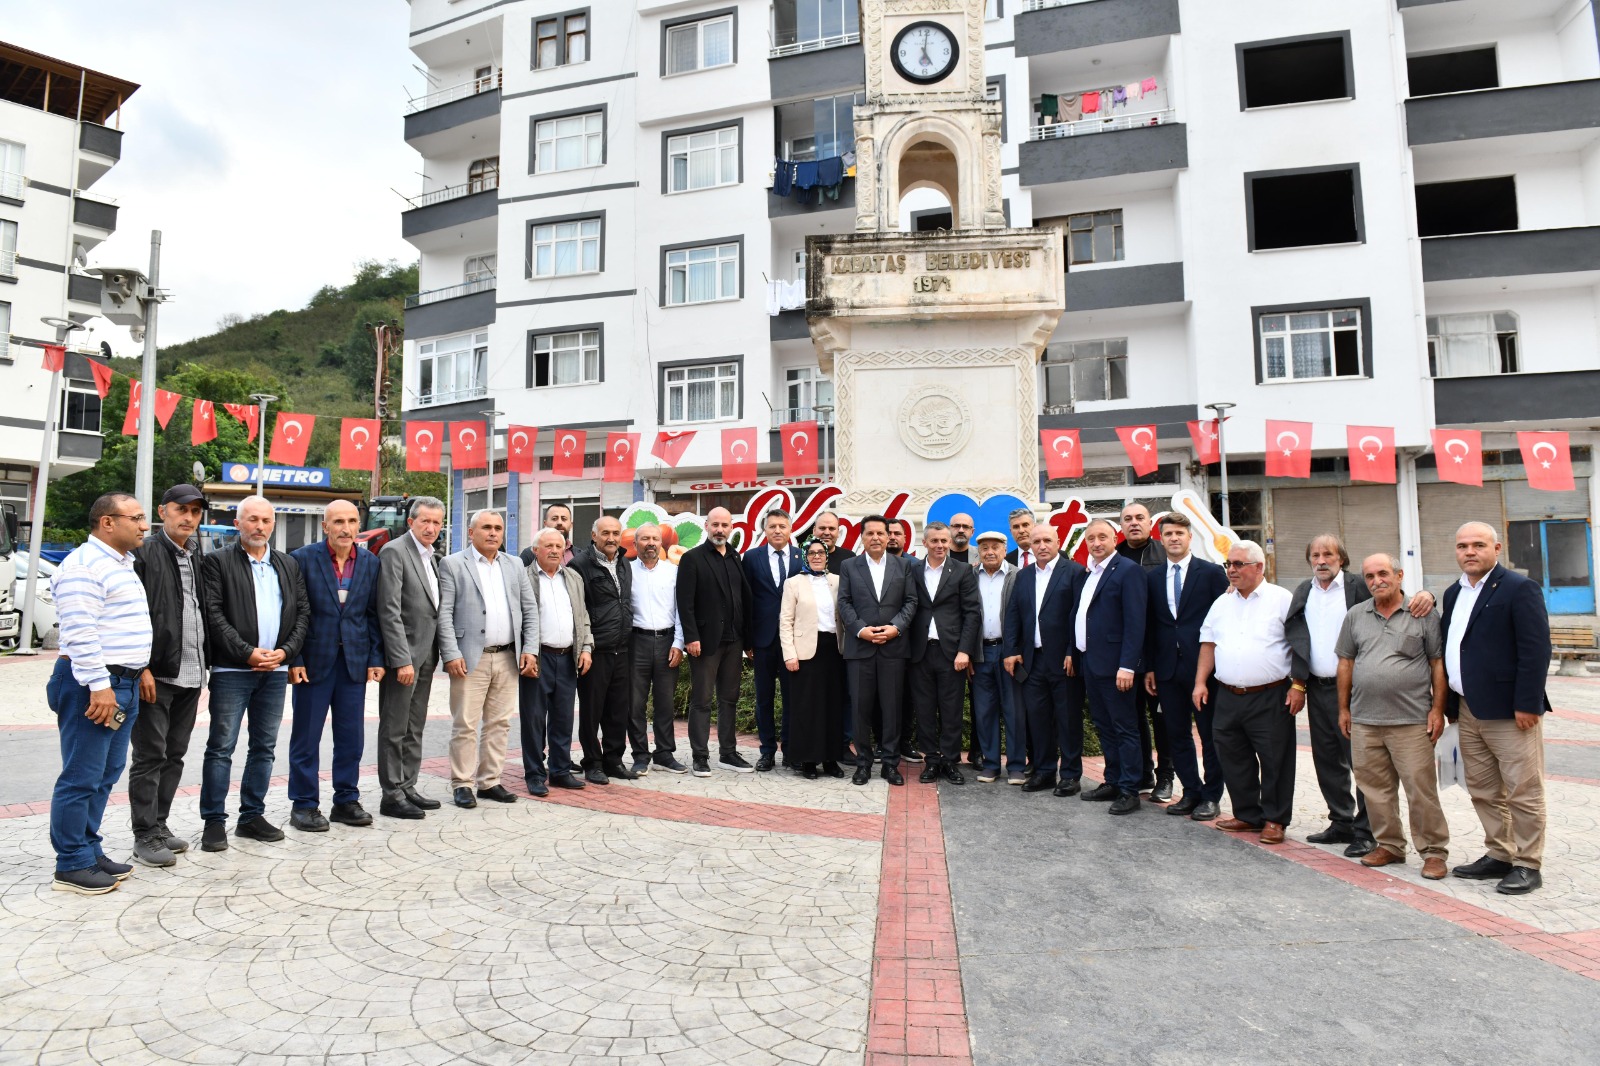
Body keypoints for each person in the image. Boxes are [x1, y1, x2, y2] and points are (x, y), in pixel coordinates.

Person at [46, 493, 151, 894]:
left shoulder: (120, 564)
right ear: (108, 522)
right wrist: (101, 686)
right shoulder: (84, 567)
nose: (144, 525)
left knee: (105, 774)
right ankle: (71, 864)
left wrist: (139, 670)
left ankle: (89, 850)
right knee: (81, 777)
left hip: (121, 682)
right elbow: (81, 633)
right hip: (93, 684)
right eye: (137, 517)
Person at [1441, 522, 1551, 895]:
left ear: (1497, 548)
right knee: (1484, 789)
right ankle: (1499, 853)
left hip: (1510, 712)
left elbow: (1536, 651)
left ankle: (1527, 863)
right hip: (1469, 709)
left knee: (1523, 789)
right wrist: (1450, 705)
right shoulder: (1454, 593)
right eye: (1462, 546)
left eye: (1478, 545)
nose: (1469, 552)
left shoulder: (1520, 588)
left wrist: (1527, 703)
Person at [200, 496, 310, 852]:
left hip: (275, 671)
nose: (259, 526)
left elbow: (303, 613)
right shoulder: (216, 563)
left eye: (265, 520)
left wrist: (286, 652)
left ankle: (251, 816)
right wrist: (246, 653)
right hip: (233, 670)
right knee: (221, 748)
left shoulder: (287, 564)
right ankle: (214, 822)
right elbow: (213, 615)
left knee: (264, 748)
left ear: (273, 525)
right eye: (252, 520)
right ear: (237, 523)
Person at [1336, 553, 1450, 879]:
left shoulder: (1422, 613)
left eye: (1383, 573)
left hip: (1411, 721)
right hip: (1365, 720)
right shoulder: (1356, 615)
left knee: (1421, 790)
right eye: (1369, 576)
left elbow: (1436, 664)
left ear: (1399, 575)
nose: (1376, 581)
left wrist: (1437, 710)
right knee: (1374, 789)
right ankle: (1389, 845)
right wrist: (1344, 709)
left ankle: (1433, 852)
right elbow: (1345, 663)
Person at [1192, 541, 1299, 845]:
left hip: (1270, 694)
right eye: (1229, 564)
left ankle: (1275, 819)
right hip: (1226, 693)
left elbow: (1299, 643)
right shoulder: (1222, 603)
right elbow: (1208, 643)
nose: (1231, 570)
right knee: (1233, 755)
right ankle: (1247, 814)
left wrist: (1298, 684)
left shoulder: (1281, 599)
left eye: (1239, 564)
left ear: (1259, 567)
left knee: (1275, 759)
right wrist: (1200, 682)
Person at [286, 500, 385, 831]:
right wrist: (294, 659)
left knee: (351, 737)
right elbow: (295, 615)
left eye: (352, 521)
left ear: (359, 526)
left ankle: (346, 799)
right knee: (306, 737)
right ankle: (304, 804)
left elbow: (373, 615)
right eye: (338, 521)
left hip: (353, 664)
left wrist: (375, 658)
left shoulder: (370, 562)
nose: (346, 528)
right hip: (313, 663)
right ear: (325, 526)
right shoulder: (302, 559)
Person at [128, 484, 210, 867]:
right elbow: (135, 614)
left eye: (195, 511)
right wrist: (141, 667)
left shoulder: (196, 554)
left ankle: (159, 825)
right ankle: (143, 834)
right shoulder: (143, 553)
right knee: (150, 755)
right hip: (155, 675)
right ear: (163, 511)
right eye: (182, 509)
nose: (189, 517)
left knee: (174, 755)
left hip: (191, 673)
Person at [437, 510, 540, 809]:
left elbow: (529, 610)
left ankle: (490, 781)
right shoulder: (453, 564)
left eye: (498, 528)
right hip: (470, 659)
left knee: (499, 723)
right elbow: (444, 613)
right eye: (486, 528)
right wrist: (451, 653)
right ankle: (462, 783)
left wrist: (529, 649)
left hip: (508, 657)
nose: (493, 533)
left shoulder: (515, 564)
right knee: (465, 724)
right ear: (471, 533)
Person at [1143, 513, 1229, 821]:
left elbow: (1222, 621)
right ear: (1161, 539)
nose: (1174, 538)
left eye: (1179, 533)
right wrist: (1150, 666)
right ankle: (1191, 791)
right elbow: (1151, 626)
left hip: (1203, 669)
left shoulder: (1211, 573)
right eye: (1168, 534)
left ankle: (1211, 796)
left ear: (1190, 537)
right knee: (1176, 733)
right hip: (1167, 670)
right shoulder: (1152, 578)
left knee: (1209, 735)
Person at [375, 496, 446, 820]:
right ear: (411, 523)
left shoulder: (433, 557)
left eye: (436, 522)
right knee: (394, 726)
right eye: (425, 522)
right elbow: (388, 610)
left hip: (427, 655)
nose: (431, 527)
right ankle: (391, 794)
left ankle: (408, 785)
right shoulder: (395, 552)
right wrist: (401, 659)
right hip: (404, 658)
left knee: (415, 726)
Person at [1002, 523, 1085, 796]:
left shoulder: (1073, 572)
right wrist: (1011, 649)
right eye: (1037, 541)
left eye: (1047, 540)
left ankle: (1071, 775)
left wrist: (1073, 650)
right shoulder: (1024, 576)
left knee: (1068, 719)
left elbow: (1079, 616)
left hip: (1064, 660)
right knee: (1037, 719)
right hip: (1032, 661)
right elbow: (1013, 614)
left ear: (1058, 541)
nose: (1042, 546)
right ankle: (1045, 771)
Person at [1071, 520, 1147, 815]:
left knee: (1125, 728)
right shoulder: (1092, 573)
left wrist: (1128, 665)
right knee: (1104, 726)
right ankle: (1113, 780)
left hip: (1117, 667)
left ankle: (1130, 788)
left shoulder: (1128, 571)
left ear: (1114, 539)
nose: (1096, 542)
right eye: (1091, 538)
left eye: (1102, 536)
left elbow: (1135, 621)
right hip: (1092, 663)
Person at [837, 514, 919, 786]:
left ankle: (891, 765)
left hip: (894, 648)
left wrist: (896, 627)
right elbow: (845, 603)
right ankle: (863, 764)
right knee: (860, 709)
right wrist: (861, 629)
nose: (875, 538)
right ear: (862, 537)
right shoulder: (849, 566)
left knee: (892, 708)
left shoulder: (903, 565)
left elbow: (910, 602)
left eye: (880, 533)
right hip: (860, 648)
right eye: (869, 533)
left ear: (888, 537)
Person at [677, 506, 754, 776]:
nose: (720, 530)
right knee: (702, 700)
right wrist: (691, 637)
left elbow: (744, 599)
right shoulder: (692, 558)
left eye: (725, 525)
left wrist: (748, 639)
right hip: (705, 642)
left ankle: (728, 753)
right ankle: (700, 756)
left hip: (734, 640)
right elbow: (684, 603)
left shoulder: (735, 557)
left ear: (731, 527)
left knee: (729, 698)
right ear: (706, 526)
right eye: (715, 525)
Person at [907, 522, 982, 785]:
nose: (940, 545)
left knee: (951, 710)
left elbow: (972, 613)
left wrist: (965, 651)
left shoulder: (962, 571)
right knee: (925, 710)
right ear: (925, 543)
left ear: (949, 543)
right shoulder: (913, 570)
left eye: (944, 541)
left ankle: (950, 761)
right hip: (920, 652)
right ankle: (932, 760)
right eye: (935, 541)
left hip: (952, 653)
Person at [522, 527, 594, 794]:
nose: (554, 550)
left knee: (563, 718)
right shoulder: (524, 577)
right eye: (548, 546)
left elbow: (583, 615)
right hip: (537, 658)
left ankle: (560, 770)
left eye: (559, 546)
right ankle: (534, 774)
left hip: (568, 659)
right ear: (535, 550)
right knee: (534, 719)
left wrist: (586, 647)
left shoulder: (573, 577)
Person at [570, 515, 636, 783]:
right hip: (596, 650)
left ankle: (613, 760)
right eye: (605, 533)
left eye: (616, 533)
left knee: (618, 710)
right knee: (592, 711)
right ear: (594, 535)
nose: (611, 538)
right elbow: (579, 608)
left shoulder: (625, 563)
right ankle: (592, 762)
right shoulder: (579, 565)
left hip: (623, 648)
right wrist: (586, 645)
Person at [1116, 502, 1172, 802]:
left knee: (1162, 718)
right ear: (1120, 526)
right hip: (1125, 654)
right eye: (1127, 519)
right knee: (1133, 716)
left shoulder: (1164, 555)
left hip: (1159, 651)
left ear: (1151, 523)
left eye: (1139, 518)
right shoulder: (1115, 557)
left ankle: (1166, 776)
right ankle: (1142, 772)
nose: (1133, 523)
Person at [780, 538, 847, 778]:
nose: (817, 556)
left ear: (827, 556)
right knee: (806, 707)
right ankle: (808, 760)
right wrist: (790, 654)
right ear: (805, 556)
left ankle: (831, 760)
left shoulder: (838, 581)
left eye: (821, 552)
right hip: (805, 652)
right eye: (812, 553)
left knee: (832, 706)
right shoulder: (793, 583)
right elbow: (785, 621)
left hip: (834, 650)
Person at [743, 508, 802, 771]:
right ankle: (766, 751)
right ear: (764, 530)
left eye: (782, 526)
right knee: (764, 698)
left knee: (793, 698)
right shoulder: (752, 557)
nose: (777, 530)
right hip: (763, 640)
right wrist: (748, 641)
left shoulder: (802, 557)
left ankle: (791, 750)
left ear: (791, 529)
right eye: (772, 526)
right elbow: (746, 600)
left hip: (794, 642)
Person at [629, 523, 684, 775]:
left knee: (664, 702)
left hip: (667, 642)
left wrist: (678, 643)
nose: (650, 543)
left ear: (662, 543)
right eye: (645, 539)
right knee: (635, 703)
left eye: (655, 539)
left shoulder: (673, 572)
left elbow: (681, 610)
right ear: (635, 543)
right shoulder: (626, 572)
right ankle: (640, 754)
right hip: (636, 642)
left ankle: (664, 753)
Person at [970, 531, 1023, 784]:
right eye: (984, 548)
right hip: (980, 652)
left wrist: (1015, 650)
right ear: (978, 551)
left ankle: (1015, 766)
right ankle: (990, 764)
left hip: (1008, 651)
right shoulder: (970, 576)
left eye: (995, 547)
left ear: (1005, 549)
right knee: (984, 711)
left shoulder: (1018, 575)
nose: (989, 552)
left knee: (1013, 710)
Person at [520, 502, 575, 567]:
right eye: (554, 519)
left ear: (571, 525)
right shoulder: (529, 554)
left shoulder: (579, 556)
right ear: (545, 523)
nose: (559, 522)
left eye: (564, 519)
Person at [814, 510, 854, 575]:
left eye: (831, 529)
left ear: (838, 532)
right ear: (814, 531)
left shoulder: (850, 558)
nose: (827, 533)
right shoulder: (802, 558)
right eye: (822, 528)